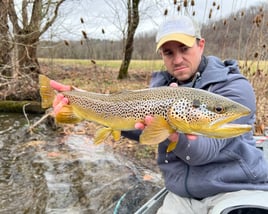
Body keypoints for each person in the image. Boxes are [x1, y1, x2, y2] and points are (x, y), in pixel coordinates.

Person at [50, 16, 268, 214]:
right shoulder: (160, 89)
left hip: (235, 191)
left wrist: (176, 136)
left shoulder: (234, 88)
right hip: (181, 197)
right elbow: (139, 126)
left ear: (201, 45)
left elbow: (204, 152)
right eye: (168, 53)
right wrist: (83, 102)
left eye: (184, 48)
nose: (177, 59)